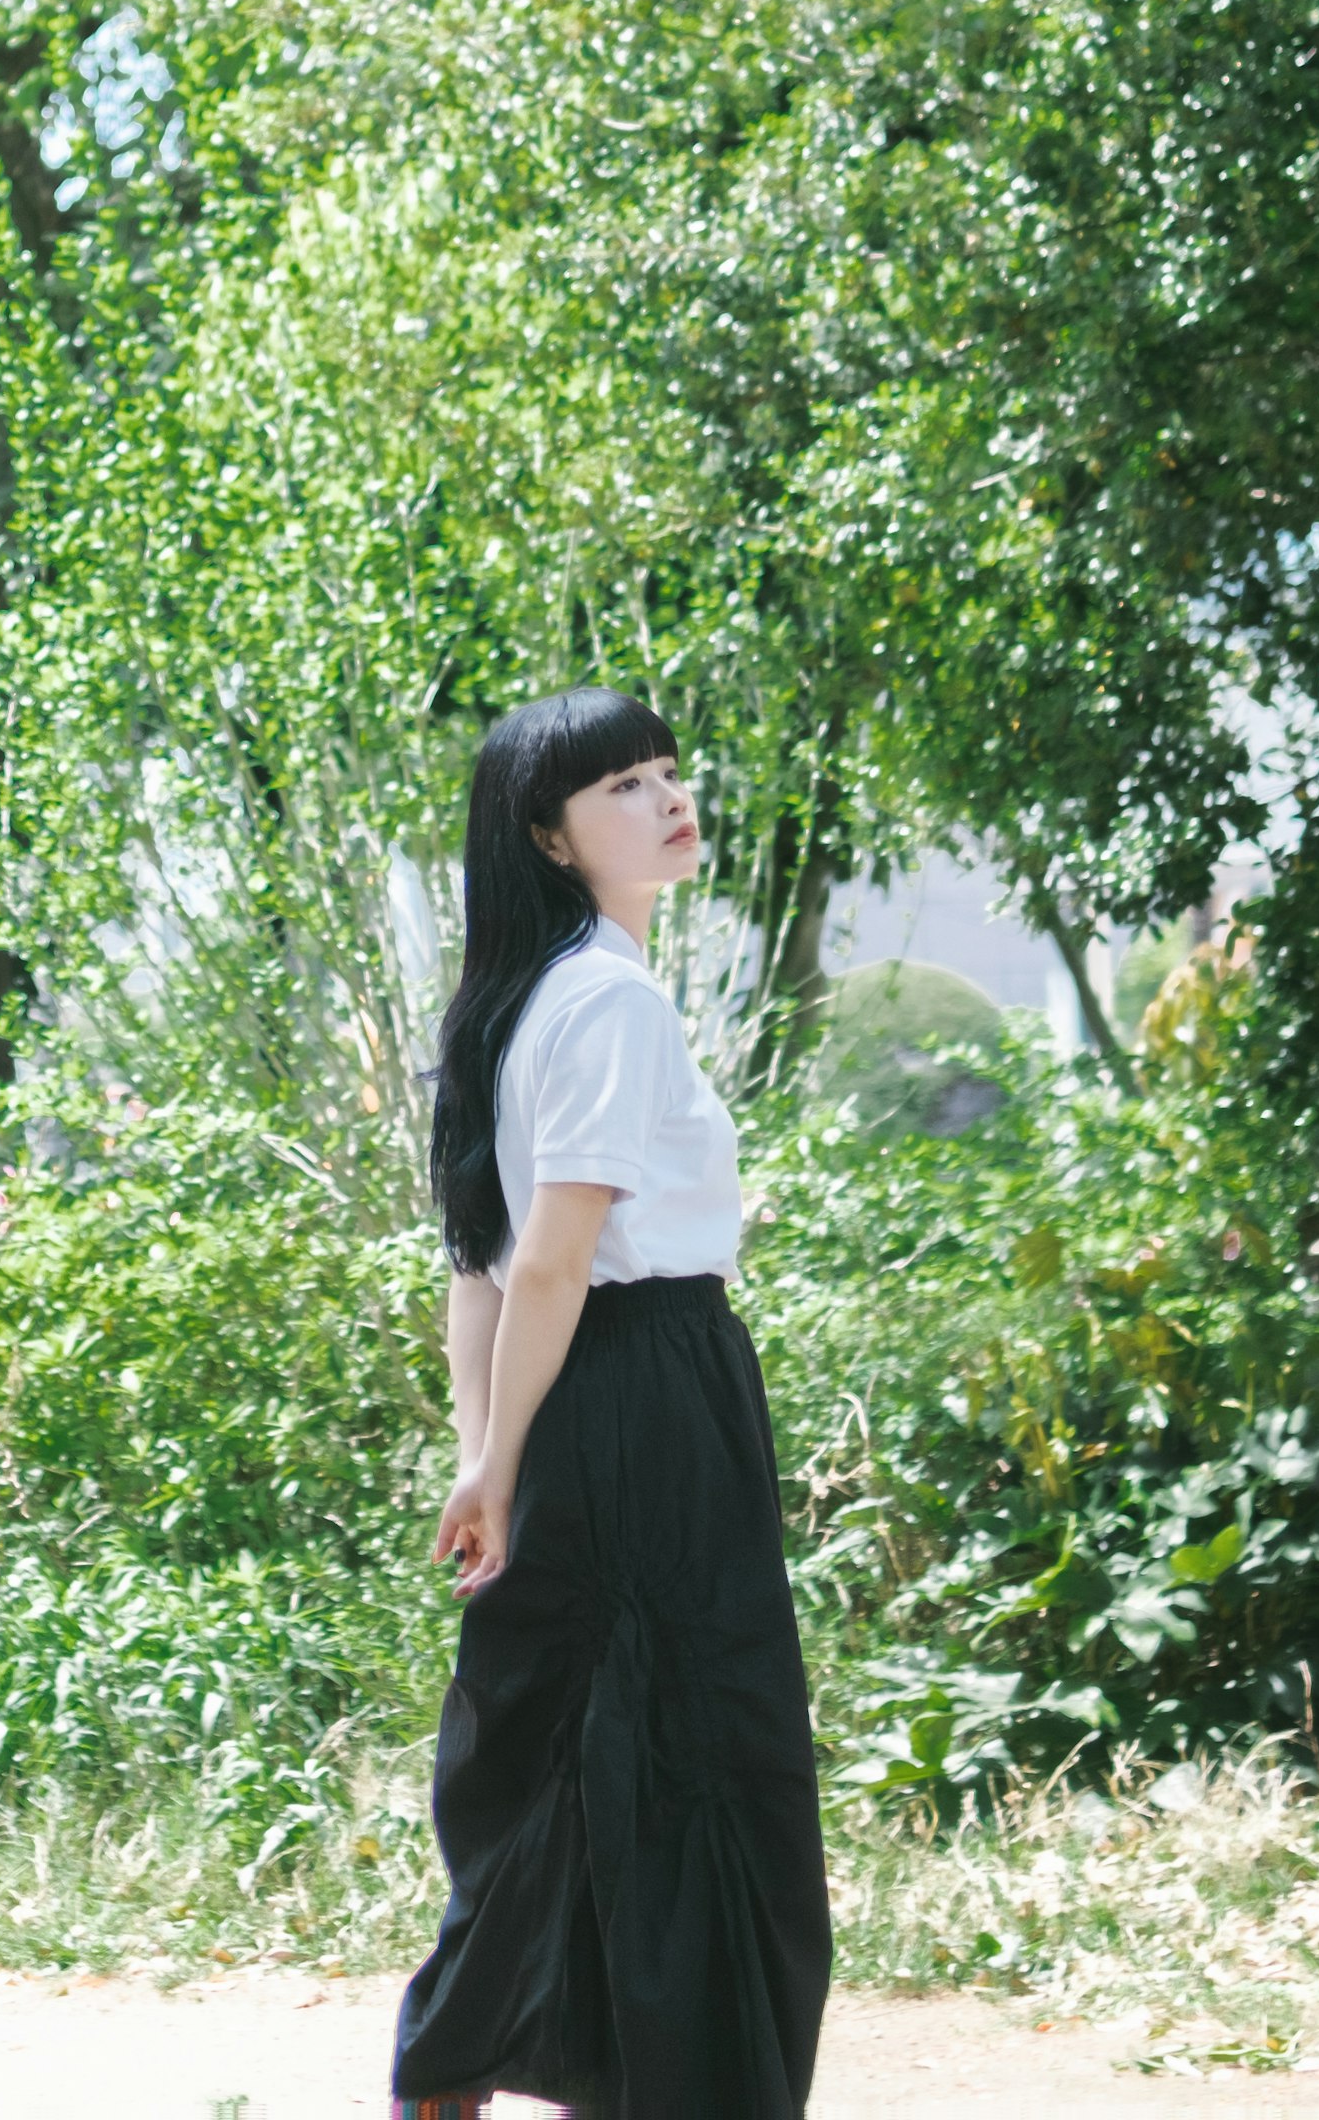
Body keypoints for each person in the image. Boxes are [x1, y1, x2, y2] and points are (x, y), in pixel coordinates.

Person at [390, 688, 832, 2120]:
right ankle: (619, 2082)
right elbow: (553, 1258)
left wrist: (490, 1458)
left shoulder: (516, 1004)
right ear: (551, 836)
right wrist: (497, 1459)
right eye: (621, 786)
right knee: (697, 1742)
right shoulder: (609, 1000)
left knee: (575, 1739)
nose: (664, 798)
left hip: (589, 1392)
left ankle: (479, 2073)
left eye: (665, 771)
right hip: (646, 1384)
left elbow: (482, 1269)